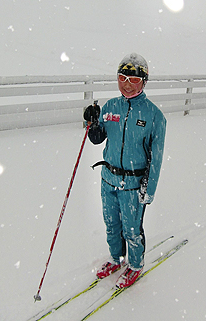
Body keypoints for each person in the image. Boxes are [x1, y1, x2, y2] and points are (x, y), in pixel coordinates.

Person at [83, 53, 166, 289]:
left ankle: (135, 265)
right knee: (111, 224)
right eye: (122, 78)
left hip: (133, 184)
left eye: (133, 79)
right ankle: (116, 259)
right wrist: (93, 122)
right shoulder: (111, 106)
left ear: (144, 81)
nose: (126, 84)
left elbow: (156, 159)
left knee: (132, 228)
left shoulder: (154, 116)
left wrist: (147, 191)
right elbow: (98, 138)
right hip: (108, 179)